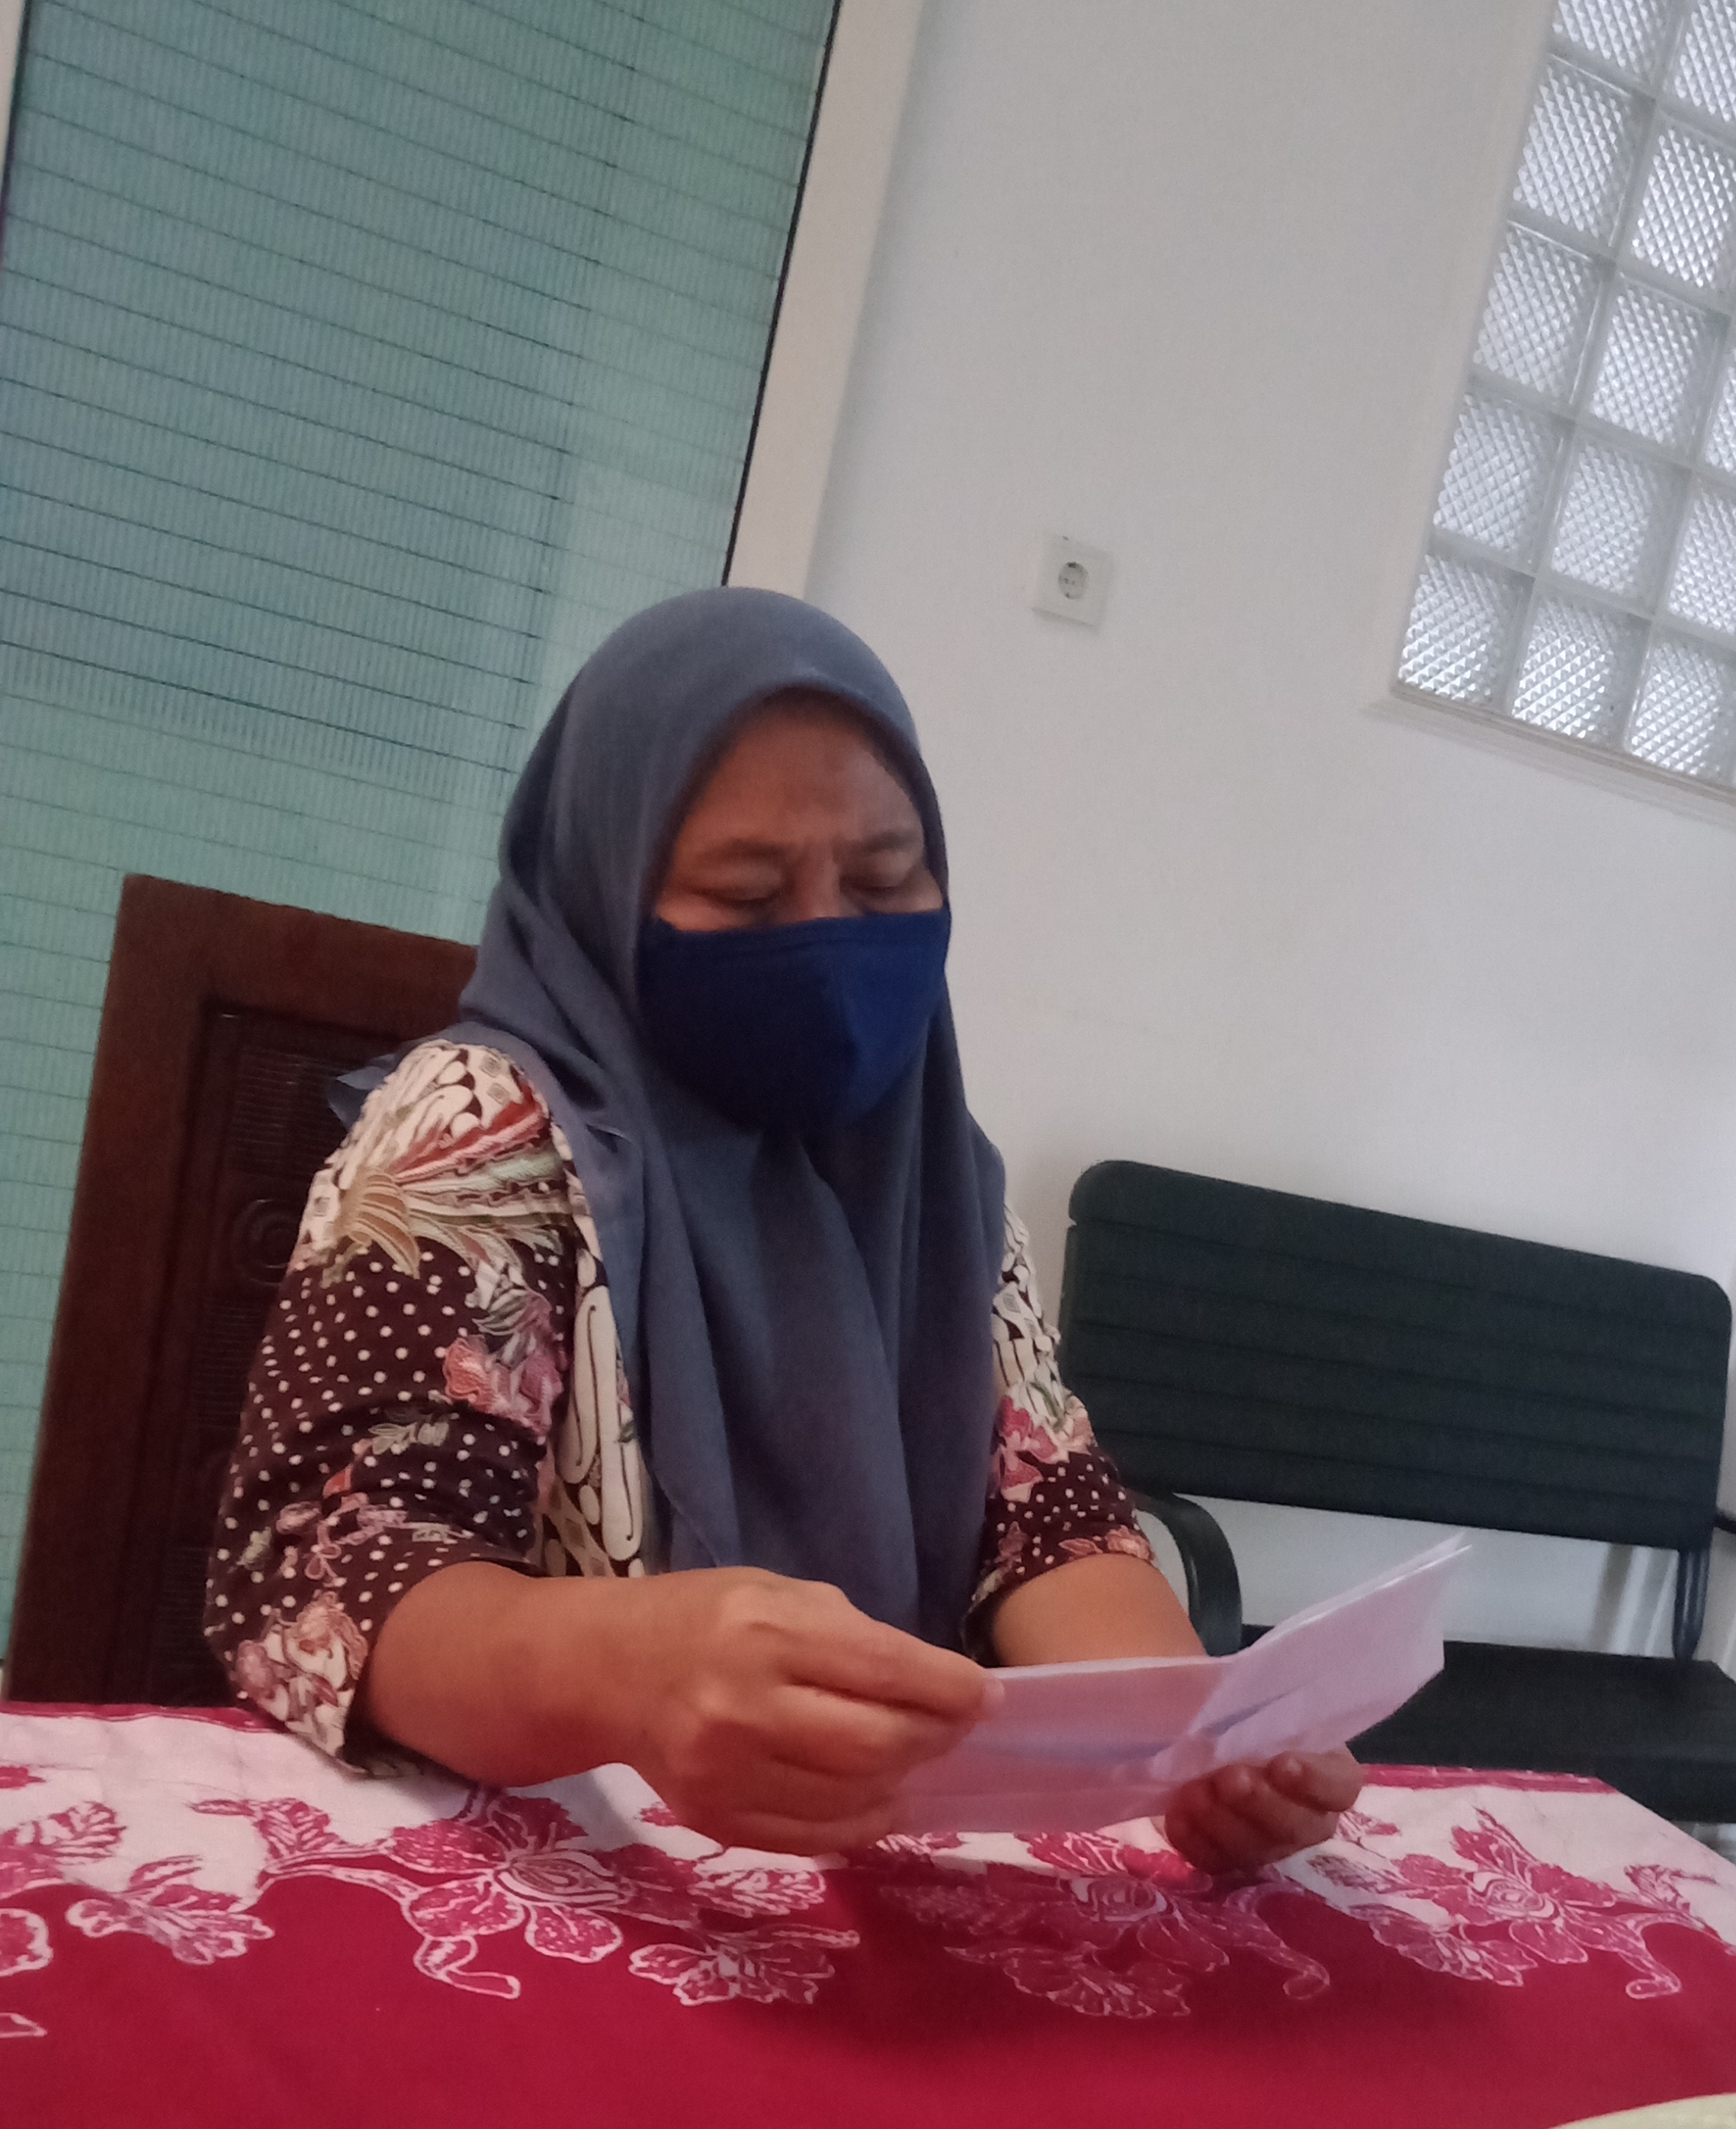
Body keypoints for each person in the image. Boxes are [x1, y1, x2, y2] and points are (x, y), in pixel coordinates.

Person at [205, 589, 1359, 1871]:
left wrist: (1194, 1734)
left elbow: (1044, 1526)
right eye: (747, 895)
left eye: (884, 878)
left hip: (863, 1867)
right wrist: (631, 1671)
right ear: (604, 890)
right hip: (550, 1870)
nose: (825, 942)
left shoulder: (936, 1179)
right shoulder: (483, 1129)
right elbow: (326, 1568)